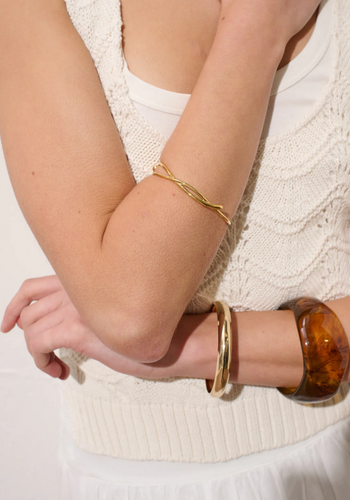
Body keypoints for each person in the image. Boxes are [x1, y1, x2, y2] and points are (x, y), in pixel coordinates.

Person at [0, 0, 350, 498]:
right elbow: (134, 313)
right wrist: (255, 30)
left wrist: (201, 346)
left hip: (336, 454)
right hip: (137, 481)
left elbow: (127, 323)